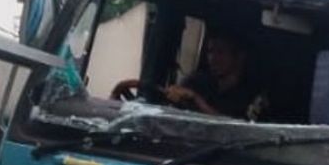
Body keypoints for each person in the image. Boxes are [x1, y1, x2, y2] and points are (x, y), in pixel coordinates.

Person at [111, 30, 262, 120]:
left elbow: (233, 128)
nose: (212, 58)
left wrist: (195, 99)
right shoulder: (197, 81)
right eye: (210, 52)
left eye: (220, 52)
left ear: (239, 57)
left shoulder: (252, 94)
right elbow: (169, 106)